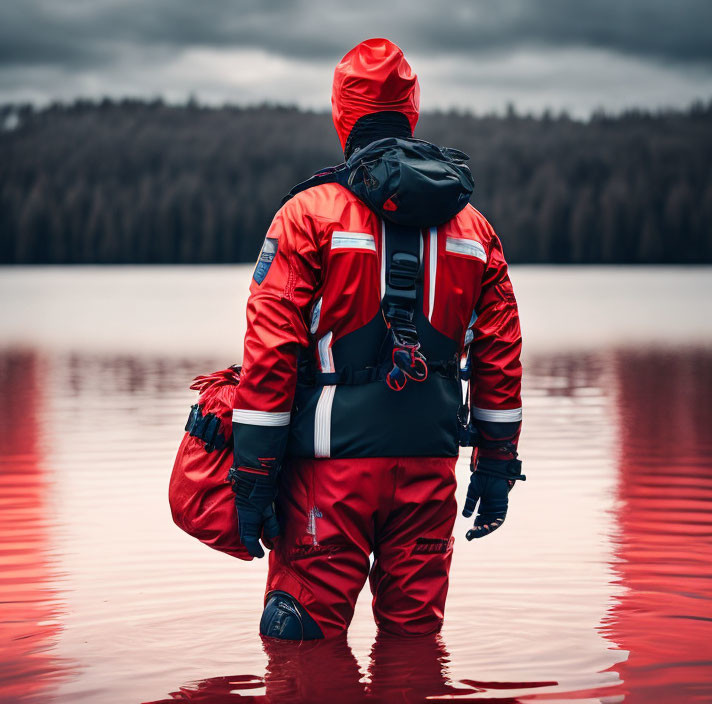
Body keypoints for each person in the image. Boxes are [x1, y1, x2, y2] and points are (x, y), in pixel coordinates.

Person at [228, 37, 524, 640]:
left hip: (328, 479)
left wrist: (253, 478)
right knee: (415, 649)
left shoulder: (307, 215)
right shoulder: (475, 229)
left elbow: (270, 354)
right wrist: (495, 466)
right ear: (410, 110)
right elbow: (500, 356)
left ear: (342, 112)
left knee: (300, 646)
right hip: (429, 471)